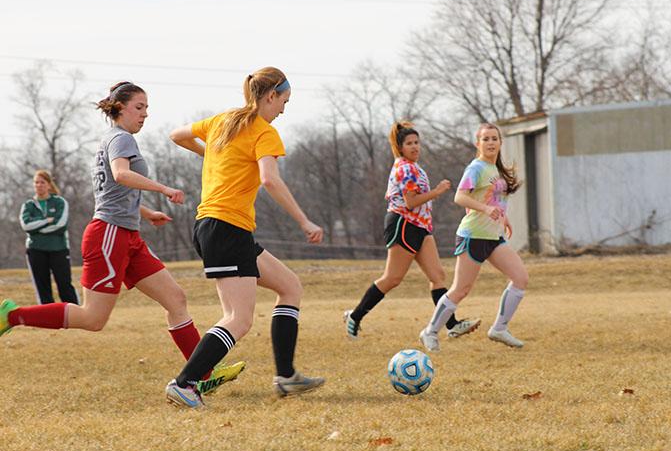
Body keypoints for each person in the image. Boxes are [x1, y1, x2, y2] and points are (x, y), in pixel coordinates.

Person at [0, 82, 243, 395]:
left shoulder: (113, 139)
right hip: (109, 237)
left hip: (126, 235)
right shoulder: (121, 138)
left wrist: (145, 212)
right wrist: (164, 189)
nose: (145, 114)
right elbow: (121, 175)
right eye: (139, 107)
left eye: (146, 108)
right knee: (92, 318)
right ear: (120, 108)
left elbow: (113, 194)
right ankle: (12, 314)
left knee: (176, 299)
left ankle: (201, 374)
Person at [165, 66, 325, 408]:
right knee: (238, 319)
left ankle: (285, 376)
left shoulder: (223, 121)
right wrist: (304, 220)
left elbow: (176, 135)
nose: (284, 108)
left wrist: (212, 152)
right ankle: (185, 383)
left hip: (216, 227)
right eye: (284, 101)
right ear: (270, 96)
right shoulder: (264, 132)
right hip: (226, 228)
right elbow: (269, 179)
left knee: (290, 286)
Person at [343, 121, 481, 341]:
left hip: (420, 227)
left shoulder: (413, 166)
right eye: (409, 143)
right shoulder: (405, 167)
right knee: (393, 278)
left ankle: (452, 325)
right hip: (404, 224)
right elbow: (410, 202)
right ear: (400, 147)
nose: (415, 147)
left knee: (438, 276)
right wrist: (437, 191)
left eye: (417, 142)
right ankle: (355, 316)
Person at [419, 122, 528, 352]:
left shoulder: (496, 170)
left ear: (500, 142)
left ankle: (499, 328)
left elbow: (495, 200)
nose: (490, 142)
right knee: (461, 289)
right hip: (473, 236)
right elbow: (460, 197)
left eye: (494, 138)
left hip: (493, 237)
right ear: (477, 143)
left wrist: (502, 217)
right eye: (485, 139)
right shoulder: (476, 168)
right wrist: (486, 210)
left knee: (520, 278)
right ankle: (429, 331)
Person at [19, 170, 79, 304]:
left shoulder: (59, 202)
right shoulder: (28, 205)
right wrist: (47, 221)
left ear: (49, 185)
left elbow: (60, 225)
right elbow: (26, 226)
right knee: (42, 287)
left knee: (64, 285)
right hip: (36, 250)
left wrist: (38, 229)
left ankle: (75, 313)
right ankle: (47, 317)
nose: (39, 185)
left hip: (58, 249)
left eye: (42, 182)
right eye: (36, 182)